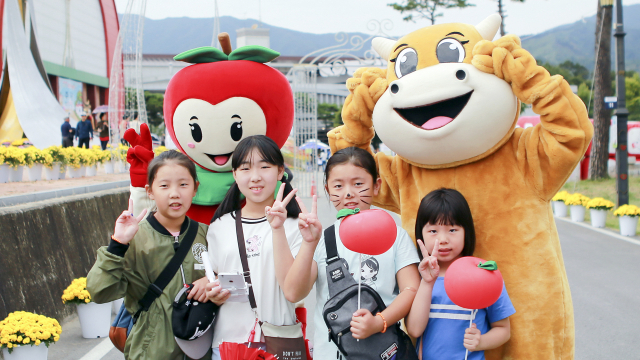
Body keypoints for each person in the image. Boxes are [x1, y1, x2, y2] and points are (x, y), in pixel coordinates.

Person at [279, 146, 421, 359]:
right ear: (327, 189)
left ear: (376, 186)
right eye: (338, 185)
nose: (348, 193)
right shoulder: (321, 238)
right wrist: (309, 243)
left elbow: (411, 289)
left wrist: (378, 322)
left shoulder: (396, 235)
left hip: (384, 351)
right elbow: (293, 293)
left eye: (358, 184)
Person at [86, 150, 213, 360]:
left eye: (183, 184)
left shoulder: (207, 234)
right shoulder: (135, 238)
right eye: (164, 186)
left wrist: (210, 280)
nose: (174, 193)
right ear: (150, 191)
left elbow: (230, 279)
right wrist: (117, 245)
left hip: (201, 351)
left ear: (195, 189)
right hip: (150, 352)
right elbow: (99, 292)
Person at [204, 135, 302, 360]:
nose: (255, 177)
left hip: (280, 343)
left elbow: (296, 289)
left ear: (280, 172)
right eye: (245, 168)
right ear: (235, 174)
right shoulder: (219, 226)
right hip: (228, 346)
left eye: (265, 167)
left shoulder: (297, 226)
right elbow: (214, 278)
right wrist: (213, 293)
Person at [405, 189, 515, 360]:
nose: (443, 239)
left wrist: (481, 342)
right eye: (433, 231)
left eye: (453, 230)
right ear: (421, 234)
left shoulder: (484, 275)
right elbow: (414, 330)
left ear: (466, 231)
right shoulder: (417, 276)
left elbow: (503, 329)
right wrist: (427, 283)